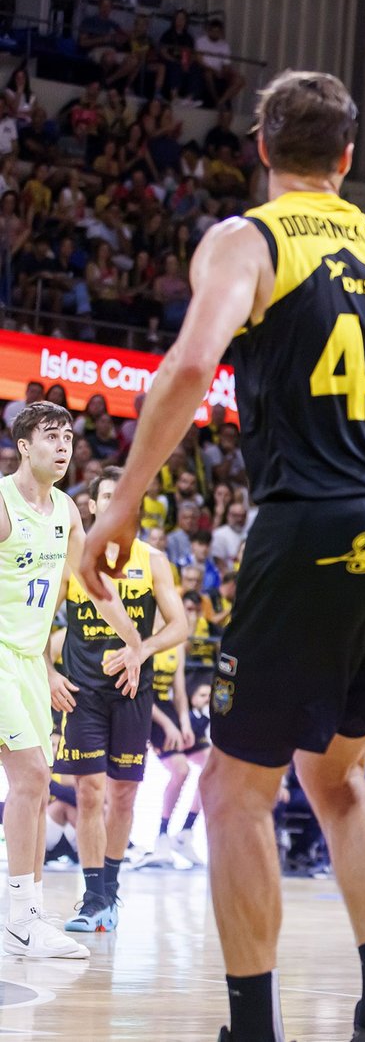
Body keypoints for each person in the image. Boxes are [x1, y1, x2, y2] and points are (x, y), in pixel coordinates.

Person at [80, 70, 365, 1042]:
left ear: (261, 149)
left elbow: (192, 365)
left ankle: (252, 1027)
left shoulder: (249, 239)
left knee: (238, 785)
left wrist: (124, 505)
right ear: (349, 160)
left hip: (315, 524)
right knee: (339, 776)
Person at [2, 402, 142, 961]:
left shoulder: (64, 509)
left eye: (69, 437)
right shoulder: (3, 501)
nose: (64, 446)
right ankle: (17, 916)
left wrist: (134, 641)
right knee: (33, 776)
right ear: (24, 443)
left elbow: (92, 583)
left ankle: (28, 917)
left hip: (31, 660)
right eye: (51, 436)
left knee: (33, 797)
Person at [55, 467, 188, 932]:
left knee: (124, 795)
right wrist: (49, 671)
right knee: (89, 792)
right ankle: (93, 898)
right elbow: (39, 621)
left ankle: (110, 892)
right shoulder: (72, 557)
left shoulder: (151, 560)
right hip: (82, 690)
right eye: (106, 496)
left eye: (122, 497)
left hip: (133, 691)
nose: (114, 503)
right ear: (91, 505)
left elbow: (180, 626)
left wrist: (141, 649)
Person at [141, 661, 212, 869]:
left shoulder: (177, 644)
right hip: (153, 715)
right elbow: (143, 693)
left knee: (212, 769)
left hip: (176, 713)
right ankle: (161, 835)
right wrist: (170, 725)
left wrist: (185, 724)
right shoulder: (147, 639)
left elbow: (179, 692)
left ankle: (185, 832)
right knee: (182, 770)